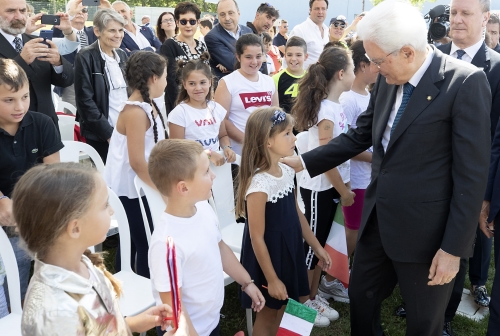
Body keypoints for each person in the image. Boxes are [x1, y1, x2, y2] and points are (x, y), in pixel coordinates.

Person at [281, 1, 491, 334]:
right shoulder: (389, 79)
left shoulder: (464, 83)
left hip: (427, 235)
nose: (375, 69)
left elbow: (471, 175)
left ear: (408, 52)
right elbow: (359, 135)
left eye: (379, 60)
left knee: (424, 323)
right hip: (378, 222)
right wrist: (303, 160)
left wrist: (453, 249)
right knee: (362, 303)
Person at [12, 162, 182, 336]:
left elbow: (97, 325)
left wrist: (130, 324)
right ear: (75, 228)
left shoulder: (83, 265)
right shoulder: (56, 315)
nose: (111, 211)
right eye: (104, 205)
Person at [147, 139, 265, 336]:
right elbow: (175, 309)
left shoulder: (203, 208)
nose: (213, 176)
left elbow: (219, 247)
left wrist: (246, 282)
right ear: (184, 188)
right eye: (205, 172)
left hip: (210, 321)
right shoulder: (166, 244)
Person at [236, 107, 332, 335]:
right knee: (269, 313)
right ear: (267, 141)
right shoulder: (259, 184)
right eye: (287, 133)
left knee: (296, 305)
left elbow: (297, 213)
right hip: (269, 260)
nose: (295, 137)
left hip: (291, 251)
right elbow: (256, 237)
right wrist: (272, 279)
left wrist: (317, 247)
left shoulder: (287, 170)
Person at [436, 1, 500, 334]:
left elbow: (496, 136)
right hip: (430, 175)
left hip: (470, 181)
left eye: (466, 13)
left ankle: (444, 318)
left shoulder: (497, 68)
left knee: (459, 247)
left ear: (485, 18)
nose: (457, 20)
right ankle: (423, 302)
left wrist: (485, 193)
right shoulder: (432, 58)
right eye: (453, 13)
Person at [292, 47, 354, 324]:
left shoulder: (334, 106)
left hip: (327, 189)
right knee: (312, 247)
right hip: (318, 190)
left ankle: (313, 294)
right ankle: (302, 303)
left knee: (322, 245)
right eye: (352, 69)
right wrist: (344, 191)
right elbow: (326, 160)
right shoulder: (327, 112)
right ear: (341, 74)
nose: (354, 74)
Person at [0, 58, 63, 312]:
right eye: (9, 100)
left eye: (24, 97)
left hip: (37, 213)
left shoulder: (42, 123)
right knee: (14, 275)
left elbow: (53, 175)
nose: (20, 106)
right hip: (7, 217)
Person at [105, 51, 167, 279]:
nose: (167, 82)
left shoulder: (147, 105)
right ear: (153, 78)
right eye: (165, 77)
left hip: (140, 185)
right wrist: (162, 191)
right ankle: (144, 289)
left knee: (134, 238)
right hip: (130, 189)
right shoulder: (135, 112)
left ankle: (125, 282)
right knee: (144, 243)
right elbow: (137, 161)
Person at [0, 0, 74, 126]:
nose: (19, 16)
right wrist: (21, 61)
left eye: (23, 11)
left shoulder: (38, 41)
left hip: (47, 127)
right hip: (10, 131)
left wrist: (58, 63)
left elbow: (67, 80)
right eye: (11, 11)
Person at [337, 40, 376, 259]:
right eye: (375, 63)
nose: (380, 68)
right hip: (355, 178)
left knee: (360, 228)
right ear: (362, 65)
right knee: (352, 230)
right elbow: (344, 145)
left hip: (368, 177)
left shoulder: (369, 96)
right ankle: (332, 279)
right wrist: (376, 158)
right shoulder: (348, 100)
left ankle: (346, 272)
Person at [74, 8, 128, 163]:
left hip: (126, 130)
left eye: (120, 30)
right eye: (112, 30)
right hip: (102, 134)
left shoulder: (123, 55)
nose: (118, 35)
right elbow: (85, 101)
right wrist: (108, 134)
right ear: (97, 31)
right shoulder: (85, 56)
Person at [214, 34, 278, 155]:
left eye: (258, 56)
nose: (254, 62)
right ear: (238, 57)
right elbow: (222, 120)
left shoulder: (269, 81)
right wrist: (249, 142)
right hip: (240, 152)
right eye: (248, 57)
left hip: (267, 149)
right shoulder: (227, 83)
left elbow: (276, 114)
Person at [168, 55, 236, 166]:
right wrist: (207, 154)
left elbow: (222, 135)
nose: (198, 88)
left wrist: (227, 147)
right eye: (192, 84)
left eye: (202, 82)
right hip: (192, 170)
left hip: (216, 168)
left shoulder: (216, 108)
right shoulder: (179, 114)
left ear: (210, 82)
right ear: (184, 84)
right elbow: (178, 149)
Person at [53, 0, 100, 114]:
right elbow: (54, 35)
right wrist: (69, 16)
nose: (80, 12)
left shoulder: (93, 32)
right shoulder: (60, 31)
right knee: (73, 116)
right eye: (77, 10)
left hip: (95, 78)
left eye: (83, 10)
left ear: (87, 15)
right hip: (72, 82)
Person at [160, 2, 207, 116]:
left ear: (198, 22)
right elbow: (169, 80)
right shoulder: (169, 45)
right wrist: (181, 105)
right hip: (179, 104)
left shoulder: (202, 46)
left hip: (202, 102)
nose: (188, 25)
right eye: (183, 21)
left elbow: (208, 74)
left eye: (192, 21)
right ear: (177, 22)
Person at [204, 0, 252, 79]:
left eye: (230, 13)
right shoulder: (212, 37)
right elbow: (233, 64)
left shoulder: (248, 31)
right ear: (218, 16)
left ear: (238, 13)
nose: (227, 18)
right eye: (222, 14)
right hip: (228, 86)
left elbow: (261, 59)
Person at [273, 36, 308, 117]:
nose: (293, 59)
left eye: (298, 55)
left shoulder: (311, 78)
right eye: (289, 55)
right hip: (284, 127)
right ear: (285, 56)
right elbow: (274, 109)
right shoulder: (276, 79)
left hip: (306, 127)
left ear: (306, 56)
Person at [289, 0, 329, 69]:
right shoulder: (299, 30)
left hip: (323, 77)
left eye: (323, 9)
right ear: (310, 10)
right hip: (304, 78)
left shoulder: (327, 30)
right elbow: (289, 57)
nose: (320, 12)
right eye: (317, 8)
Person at [246, 2, 279, 75]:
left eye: (273, 20)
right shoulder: (245, 34)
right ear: (257, 15)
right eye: (268, 17)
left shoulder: (260, 36)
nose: (270, 23)